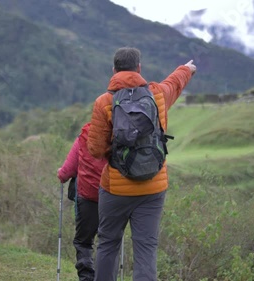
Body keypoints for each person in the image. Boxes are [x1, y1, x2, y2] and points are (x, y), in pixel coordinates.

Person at [87, 47, 196, 281]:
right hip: (153, 188)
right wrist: (187, 69)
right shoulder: (158, 95)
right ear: (139, 68)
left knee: (108, 244)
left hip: (115, 188)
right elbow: (174, 82)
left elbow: (95, 149)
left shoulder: (104, 102)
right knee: (146, 248)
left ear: (114, 69)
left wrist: (116, 151)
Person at [57, 122, 108, 281]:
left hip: (87, 197)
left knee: (83, 241)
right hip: (113, 196)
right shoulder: (119, 135)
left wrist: (61, 174)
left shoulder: (85, 136)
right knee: (108, 242)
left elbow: (67, 171)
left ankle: (86, 277)